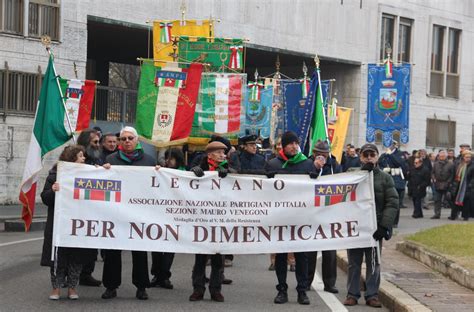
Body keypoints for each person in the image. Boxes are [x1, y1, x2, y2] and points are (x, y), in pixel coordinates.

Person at [101, 126, 154, 300]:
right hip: (116, 213)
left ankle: (141, 287)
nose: (127, 141)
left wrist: (160, 173)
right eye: (123, 139)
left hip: (139, 214)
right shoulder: (111, 159)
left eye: (130, 138)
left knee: (139, 252)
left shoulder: (149, 161)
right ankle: (111, 286)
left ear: (137, 140)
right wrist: (104, 170)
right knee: (112, 252)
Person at [264, 131, 317, 305]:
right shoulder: (273, 164)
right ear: (284, 145)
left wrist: (316, 175)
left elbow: (316, 189)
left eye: (296, 143)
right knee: (281, 255)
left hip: (301, 217)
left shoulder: (307, 163)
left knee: (301, 256)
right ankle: (282, 290)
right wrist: (268, 179)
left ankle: (302, 290)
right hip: (280, 217)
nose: (294, 146)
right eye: (291, 144)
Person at [344, 143, 399, 308]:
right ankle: (352, 294)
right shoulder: (351, 174)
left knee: (374, 262)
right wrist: (362, 174)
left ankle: (372, 295)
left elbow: (392, 202)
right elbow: (341, 192)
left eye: (372, 155)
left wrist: (384, 225)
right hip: (356, 226)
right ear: (360, 157)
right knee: (354, 262)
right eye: (365, 155)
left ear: (377, 157)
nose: (369, 158)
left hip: (375, 227)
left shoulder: (385, 178)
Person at [41, 145, 95, 300]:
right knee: (57, 257)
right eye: (80, 156)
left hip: (79, 223)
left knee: (76, 257)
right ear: (71, 159)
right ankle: (56, 288)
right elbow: (45, 198)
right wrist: (52, 190)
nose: (84, 158)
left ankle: (72, 288)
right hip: (59, 224)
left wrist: (103, 170)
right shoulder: (55, 175)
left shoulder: (89, 174)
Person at [188, 141, 234, 302]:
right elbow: (185, 181)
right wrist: (193, 172)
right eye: (219, 153)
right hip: (202, 218)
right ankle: (198, 289)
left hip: (221, 218)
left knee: (217, 257)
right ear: (210, 155)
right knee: (200, 257)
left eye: (224, 152)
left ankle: (216, 289)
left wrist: (229, 172)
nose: (223, 155)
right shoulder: (201, 166)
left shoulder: (229, 166)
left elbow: (242, 176)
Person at [307, 140, 341, 294]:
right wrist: (315, 168)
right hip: (311, 212)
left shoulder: (334, 165)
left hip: (329, 211)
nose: (321, 156)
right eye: (318, 153)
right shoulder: (307, 163)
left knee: (329, 251)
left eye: (324, 154)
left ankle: (329, 283)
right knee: (309, 250)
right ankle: (306, 281)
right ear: (314, 153)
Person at [149, 148, 184, 290]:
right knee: (156, 246)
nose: (168, 161)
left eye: (171, 158)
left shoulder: (185, 173)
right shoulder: (162, 171)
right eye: (167, 158)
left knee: (170, 247)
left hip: (175, 215)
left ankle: (165, 275)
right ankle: (156, 274)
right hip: (159, 213)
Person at [75, 128, 103, 287]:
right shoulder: (73, 161)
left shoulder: (99, 160)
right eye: (95, 142)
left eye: (99, 142)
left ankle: (86, 274)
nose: (98, 145)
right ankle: (67, 275)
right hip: (78, 210)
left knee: (92, 245)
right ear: (86, 144)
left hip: (94, 210)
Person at [378, 142, 407, 226]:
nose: (389, 147)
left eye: (391, 145)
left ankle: (394, 222)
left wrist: (390, 155)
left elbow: (399, 163)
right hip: (385, 181)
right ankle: (385, 220)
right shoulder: (385, 154)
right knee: (385, 202)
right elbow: (380, 163)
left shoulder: (400, 154)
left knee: (395, 203)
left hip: (397, 182)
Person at [448, 151, 473, 221]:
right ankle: (453, 216)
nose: (468, 158)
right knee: (455, 201)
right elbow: (455, 174)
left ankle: (465, 216)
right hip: (458, 186)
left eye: (469, 157)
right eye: (466, 157)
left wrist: (470, 184)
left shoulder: (472, 166)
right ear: (463, 158)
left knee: (466, 202)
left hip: (467, 186)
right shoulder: (460, 165)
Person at [431, 150, 454, 219]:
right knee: (437, 200)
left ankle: (453, 214)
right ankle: (437, 214)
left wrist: (448, 182)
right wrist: (433, 178)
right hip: (437, 183)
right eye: (440, 156)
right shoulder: (436, 163)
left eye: (443, 156)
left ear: (446, 156)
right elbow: (432, 172)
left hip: (447, 184)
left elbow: (452, 174)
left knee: (449, 200)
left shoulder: (450, 164)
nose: (441, 157)